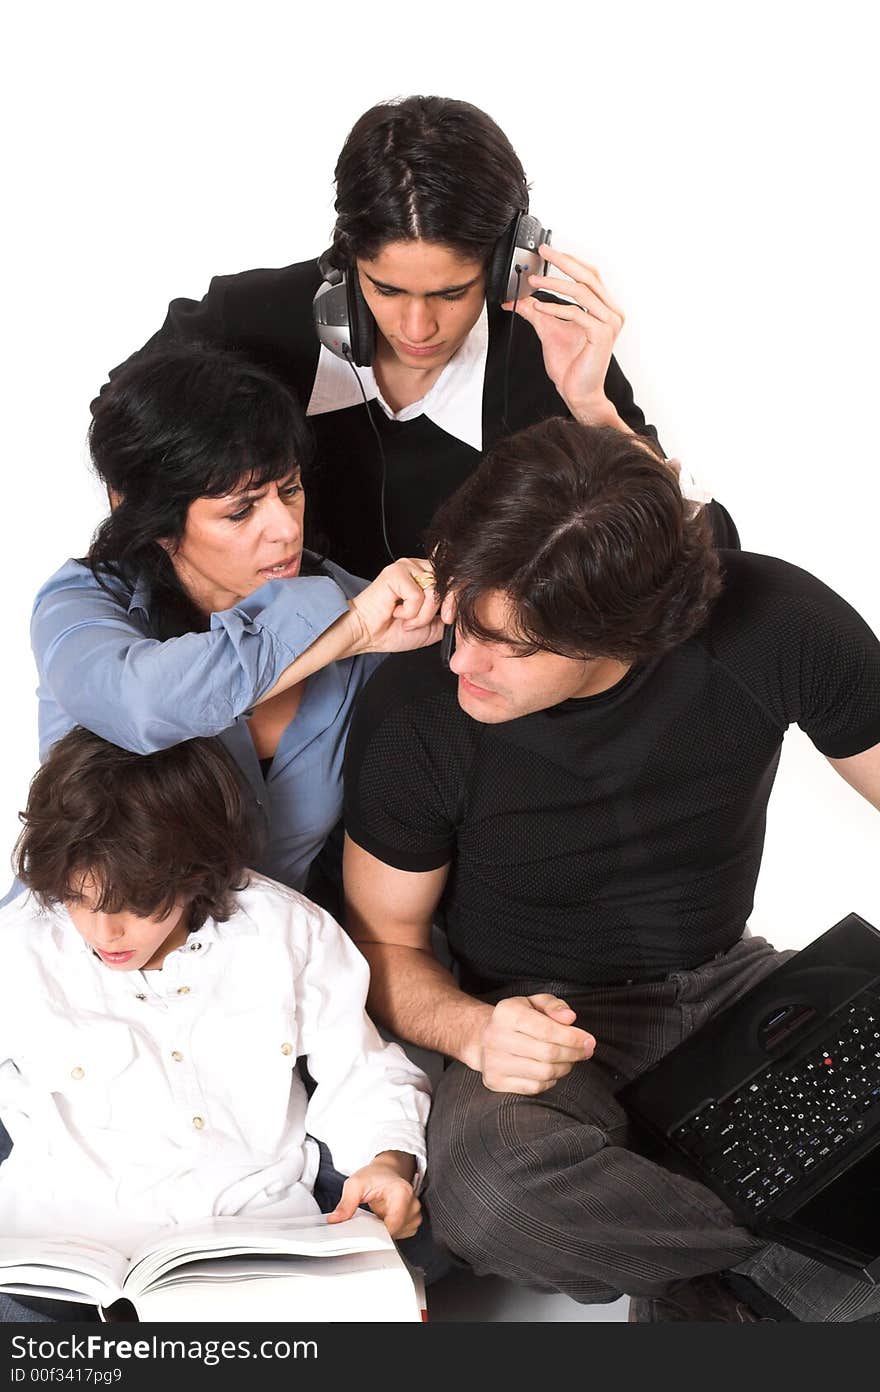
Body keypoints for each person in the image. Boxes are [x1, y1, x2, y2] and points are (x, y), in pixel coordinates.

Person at [341, 417, 880, 1322]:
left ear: (624, 635)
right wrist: (475, 1030)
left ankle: (729, 1283)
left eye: (507, 646)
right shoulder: (419, 711)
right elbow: (381, 940)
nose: (459, 657)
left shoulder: (772, 621)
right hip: (539, 1020)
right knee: (492, 1193)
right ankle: (822, 1252)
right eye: (464, 614)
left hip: (739, 985)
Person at [98, 94, 739, 580]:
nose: (416, 328)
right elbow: (120, 426)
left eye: (450, 294)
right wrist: (175, 568)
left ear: (505, 267)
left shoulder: (543, 357)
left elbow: (711, 554)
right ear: (346, 263)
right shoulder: (247, 319)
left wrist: (592, 408)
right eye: (386, 289)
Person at [0, 728, 433, 1323]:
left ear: (191, 871)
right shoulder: (19, 947)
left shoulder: (285, 931)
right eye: (79, 900)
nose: (105, 934)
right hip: (61, 1270)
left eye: (134, 905)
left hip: (256, 1247)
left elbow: (363, 1072)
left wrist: (390, 1162)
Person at [30, 343, 440, 903]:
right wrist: (346, 634)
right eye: (241, 510)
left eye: (290, 491)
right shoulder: (82, 604)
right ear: (156, 520)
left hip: (273, 965)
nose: (285, 530)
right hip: (86, 962)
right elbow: (145, 706)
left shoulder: (358, 604)